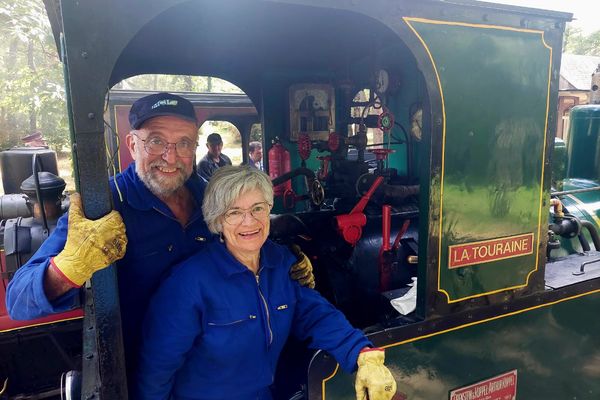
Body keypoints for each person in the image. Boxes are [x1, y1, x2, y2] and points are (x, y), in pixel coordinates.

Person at [6, 92, 314, 382]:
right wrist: (67, 269)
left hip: (222, 366)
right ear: (132, 144)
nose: (170, 157)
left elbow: (245, 239)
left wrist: (283, 268)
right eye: (156, 141)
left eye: (184, 143)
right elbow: (18, 301)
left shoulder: (209, 194)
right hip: (144, 372)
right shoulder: (103, 205)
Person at [135, 166, 397, 400]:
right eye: (234, 212)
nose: (249, 221)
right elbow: (156, 369)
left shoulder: (279, 263)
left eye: (257, 208)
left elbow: (314, 314)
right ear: (217, 220)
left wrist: (362, 355)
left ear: (270, 210)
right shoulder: (187, 284)